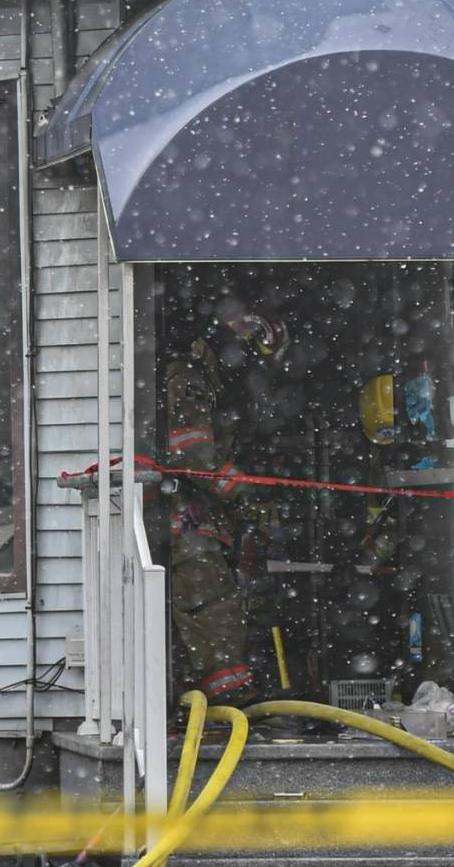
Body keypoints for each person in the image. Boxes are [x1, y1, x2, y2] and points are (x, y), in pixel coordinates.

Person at [159, 293, 289, 705]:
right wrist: (244, 494)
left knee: (220, 603)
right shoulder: (188, 378)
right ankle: (226, 701)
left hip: (202, 523)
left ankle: (220, 698)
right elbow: (192, 453)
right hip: (186, 524)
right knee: (213, 604)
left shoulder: (210, 381)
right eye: (248, 343)